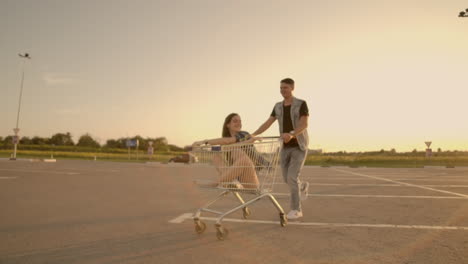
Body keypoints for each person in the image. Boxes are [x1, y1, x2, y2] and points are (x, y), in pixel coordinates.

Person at [252, 78, 310, 220]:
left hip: (299, 145)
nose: (282, 90)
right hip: (284, 147)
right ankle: (302, 187)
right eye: (281, 88)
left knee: (291, 176)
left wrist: (292, 134)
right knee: (286, 178)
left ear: (292, 88)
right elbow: (268, 122)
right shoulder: (278, 106)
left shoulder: (301, 104)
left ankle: (296, 209)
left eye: (285, 87)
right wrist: (254, 134)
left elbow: (304, 124)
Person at [193, 113, 260, 189]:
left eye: (240, 121)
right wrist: (204, 145)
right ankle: (232, 183)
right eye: (235, 121)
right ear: (228, 125)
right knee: (216, 157)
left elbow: (227, 141)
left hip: (250, 180)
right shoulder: (228, 143)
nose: (239, 123)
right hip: (238, 179)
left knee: (238, 153)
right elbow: (225, 144)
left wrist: (204, 142)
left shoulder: (244, 134)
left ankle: (216, 183)